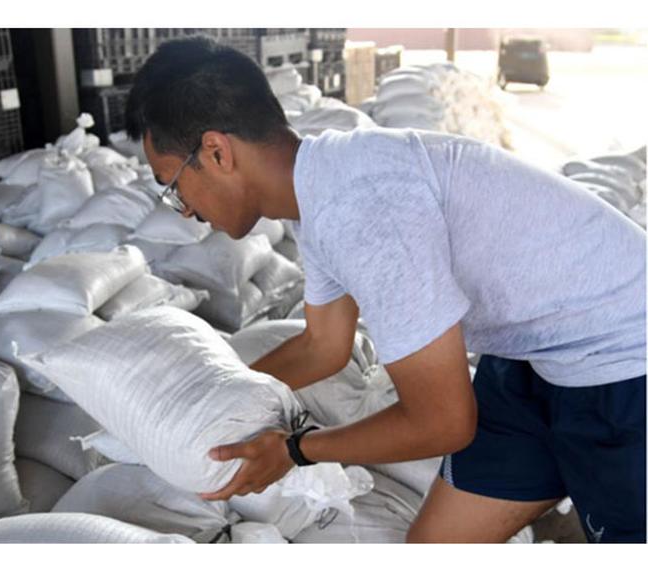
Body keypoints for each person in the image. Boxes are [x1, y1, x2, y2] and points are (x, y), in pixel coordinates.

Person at [124, 36, 647, 543]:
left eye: (173, 186)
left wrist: (297, 450)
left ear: (216, 152)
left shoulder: (362, 207)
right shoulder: (323, 187)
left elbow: (444, 422)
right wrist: (204, 397)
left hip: (625, 364)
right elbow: (323, 346)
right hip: (531, 358)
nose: (185, 210)